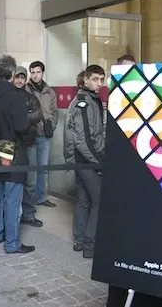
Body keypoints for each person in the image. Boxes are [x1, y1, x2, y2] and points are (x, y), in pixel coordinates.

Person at [0, 55, 35, 254]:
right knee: (13, 197)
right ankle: (12, 243)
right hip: (11, 147)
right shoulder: (14, 96)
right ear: (13, 73)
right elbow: (22, 126)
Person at [63, 64, 106, 259]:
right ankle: (90, 244)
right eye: (96, 79)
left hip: (83, 160)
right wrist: (99, 161)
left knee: (83, 200)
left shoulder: (91, 99)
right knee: (98, 200)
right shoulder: (84, 102)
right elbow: (84, 139)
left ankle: (80, 240)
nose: (100, 83)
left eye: (102, 79)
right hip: (87, 160)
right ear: (85, 80)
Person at [12, 66, 45, 227]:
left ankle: (28, 214)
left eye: (22, 77)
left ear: (26, 79)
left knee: (30, 182)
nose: (19, 80)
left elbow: (38, 114)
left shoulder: (30, 97)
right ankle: (11, 216)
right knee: (8, 180)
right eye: (17, 77)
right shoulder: (8, 96)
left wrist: (20, 117)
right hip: (9, 144)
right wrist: (26, 116)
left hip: (29, 143)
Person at [25, 61, 58, 208]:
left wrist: (52, 125)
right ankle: (30, 199)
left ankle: (42, 196)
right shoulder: (25, 89)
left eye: (37, 72)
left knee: (43, 168)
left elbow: (54, 111)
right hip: (31, 135)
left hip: (45, 134)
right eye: (32, 72)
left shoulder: (49, 91)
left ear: (42, 73)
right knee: (31, 169)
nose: (35, 75)